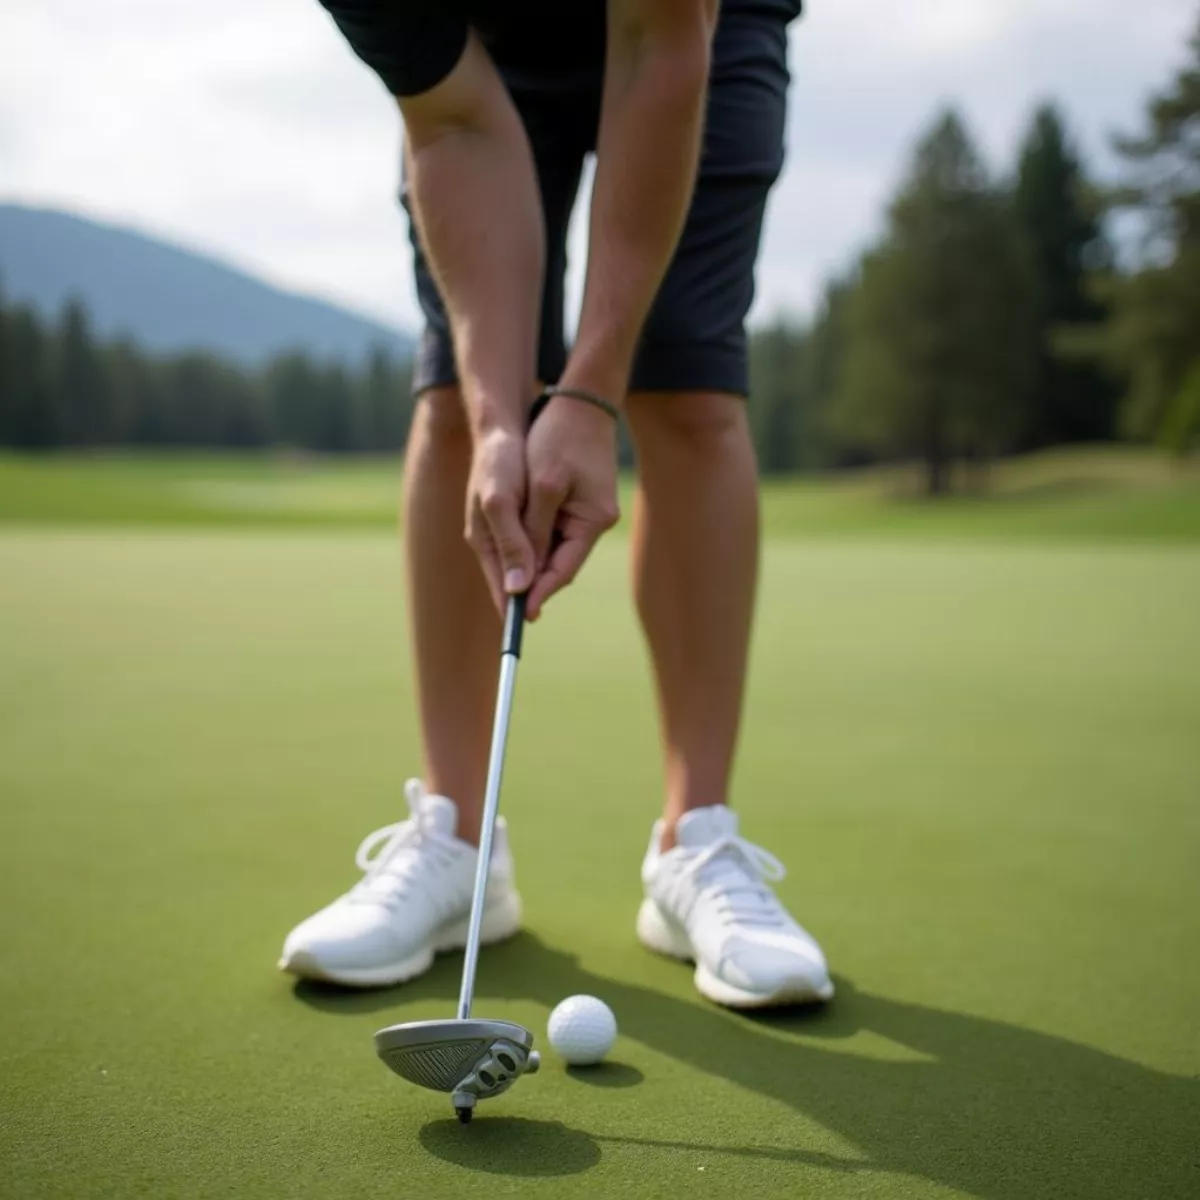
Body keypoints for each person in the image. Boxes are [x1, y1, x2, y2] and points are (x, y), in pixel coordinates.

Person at [280, 0, 833, 1008]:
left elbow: (661, 43)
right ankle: (457, 847)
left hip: (703, 28)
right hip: (478, 43)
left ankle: (693, 845)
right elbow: (453, 122)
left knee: (692, 393)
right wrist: (502, 420)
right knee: (453, 401)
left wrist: (587, 396)